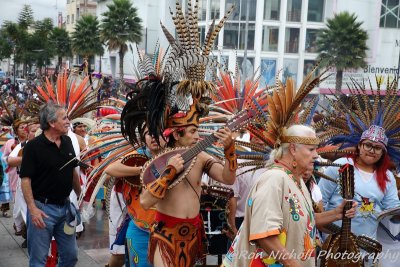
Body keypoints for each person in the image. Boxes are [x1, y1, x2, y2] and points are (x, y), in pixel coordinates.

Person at [224, 125, 357, 267]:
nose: (316, 155)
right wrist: (293, 264)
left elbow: (305, 220)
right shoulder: (274, 179)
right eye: (311, 149)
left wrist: (337, 213)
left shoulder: (296, 180)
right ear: (293, 149)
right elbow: (264, 234)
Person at [319, 125, 400, 265]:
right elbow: (320, 202)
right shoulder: (340, 166)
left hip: (366, 248)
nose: (372, 151)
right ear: (359, 146)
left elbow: (392, 211)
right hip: (335, 245)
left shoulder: (388, 177)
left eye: (377, 148)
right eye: (368, 145)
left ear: (383, 152)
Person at [20, 102, 81, 266]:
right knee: (38, 260)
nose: (69, 121)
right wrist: (33, 210)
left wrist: (81, 197)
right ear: (52, 123)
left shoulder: (67, 141)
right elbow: (25, 180)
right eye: (64, 118)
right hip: (42, 210)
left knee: (70, 256)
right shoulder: (33, 147)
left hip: (65, 209)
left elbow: (73, 172)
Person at [8, 122, 40, 248]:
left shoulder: (47, 145)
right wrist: (27, 158)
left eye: (39, 129)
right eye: (33, 130)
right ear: (28, 133)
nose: (36, 132)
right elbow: (10, 160)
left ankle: (34, 239)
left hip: (41, 185)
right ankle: (27, 235)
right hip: (24, 184)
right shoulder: (22, 146)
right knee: (20, 213)